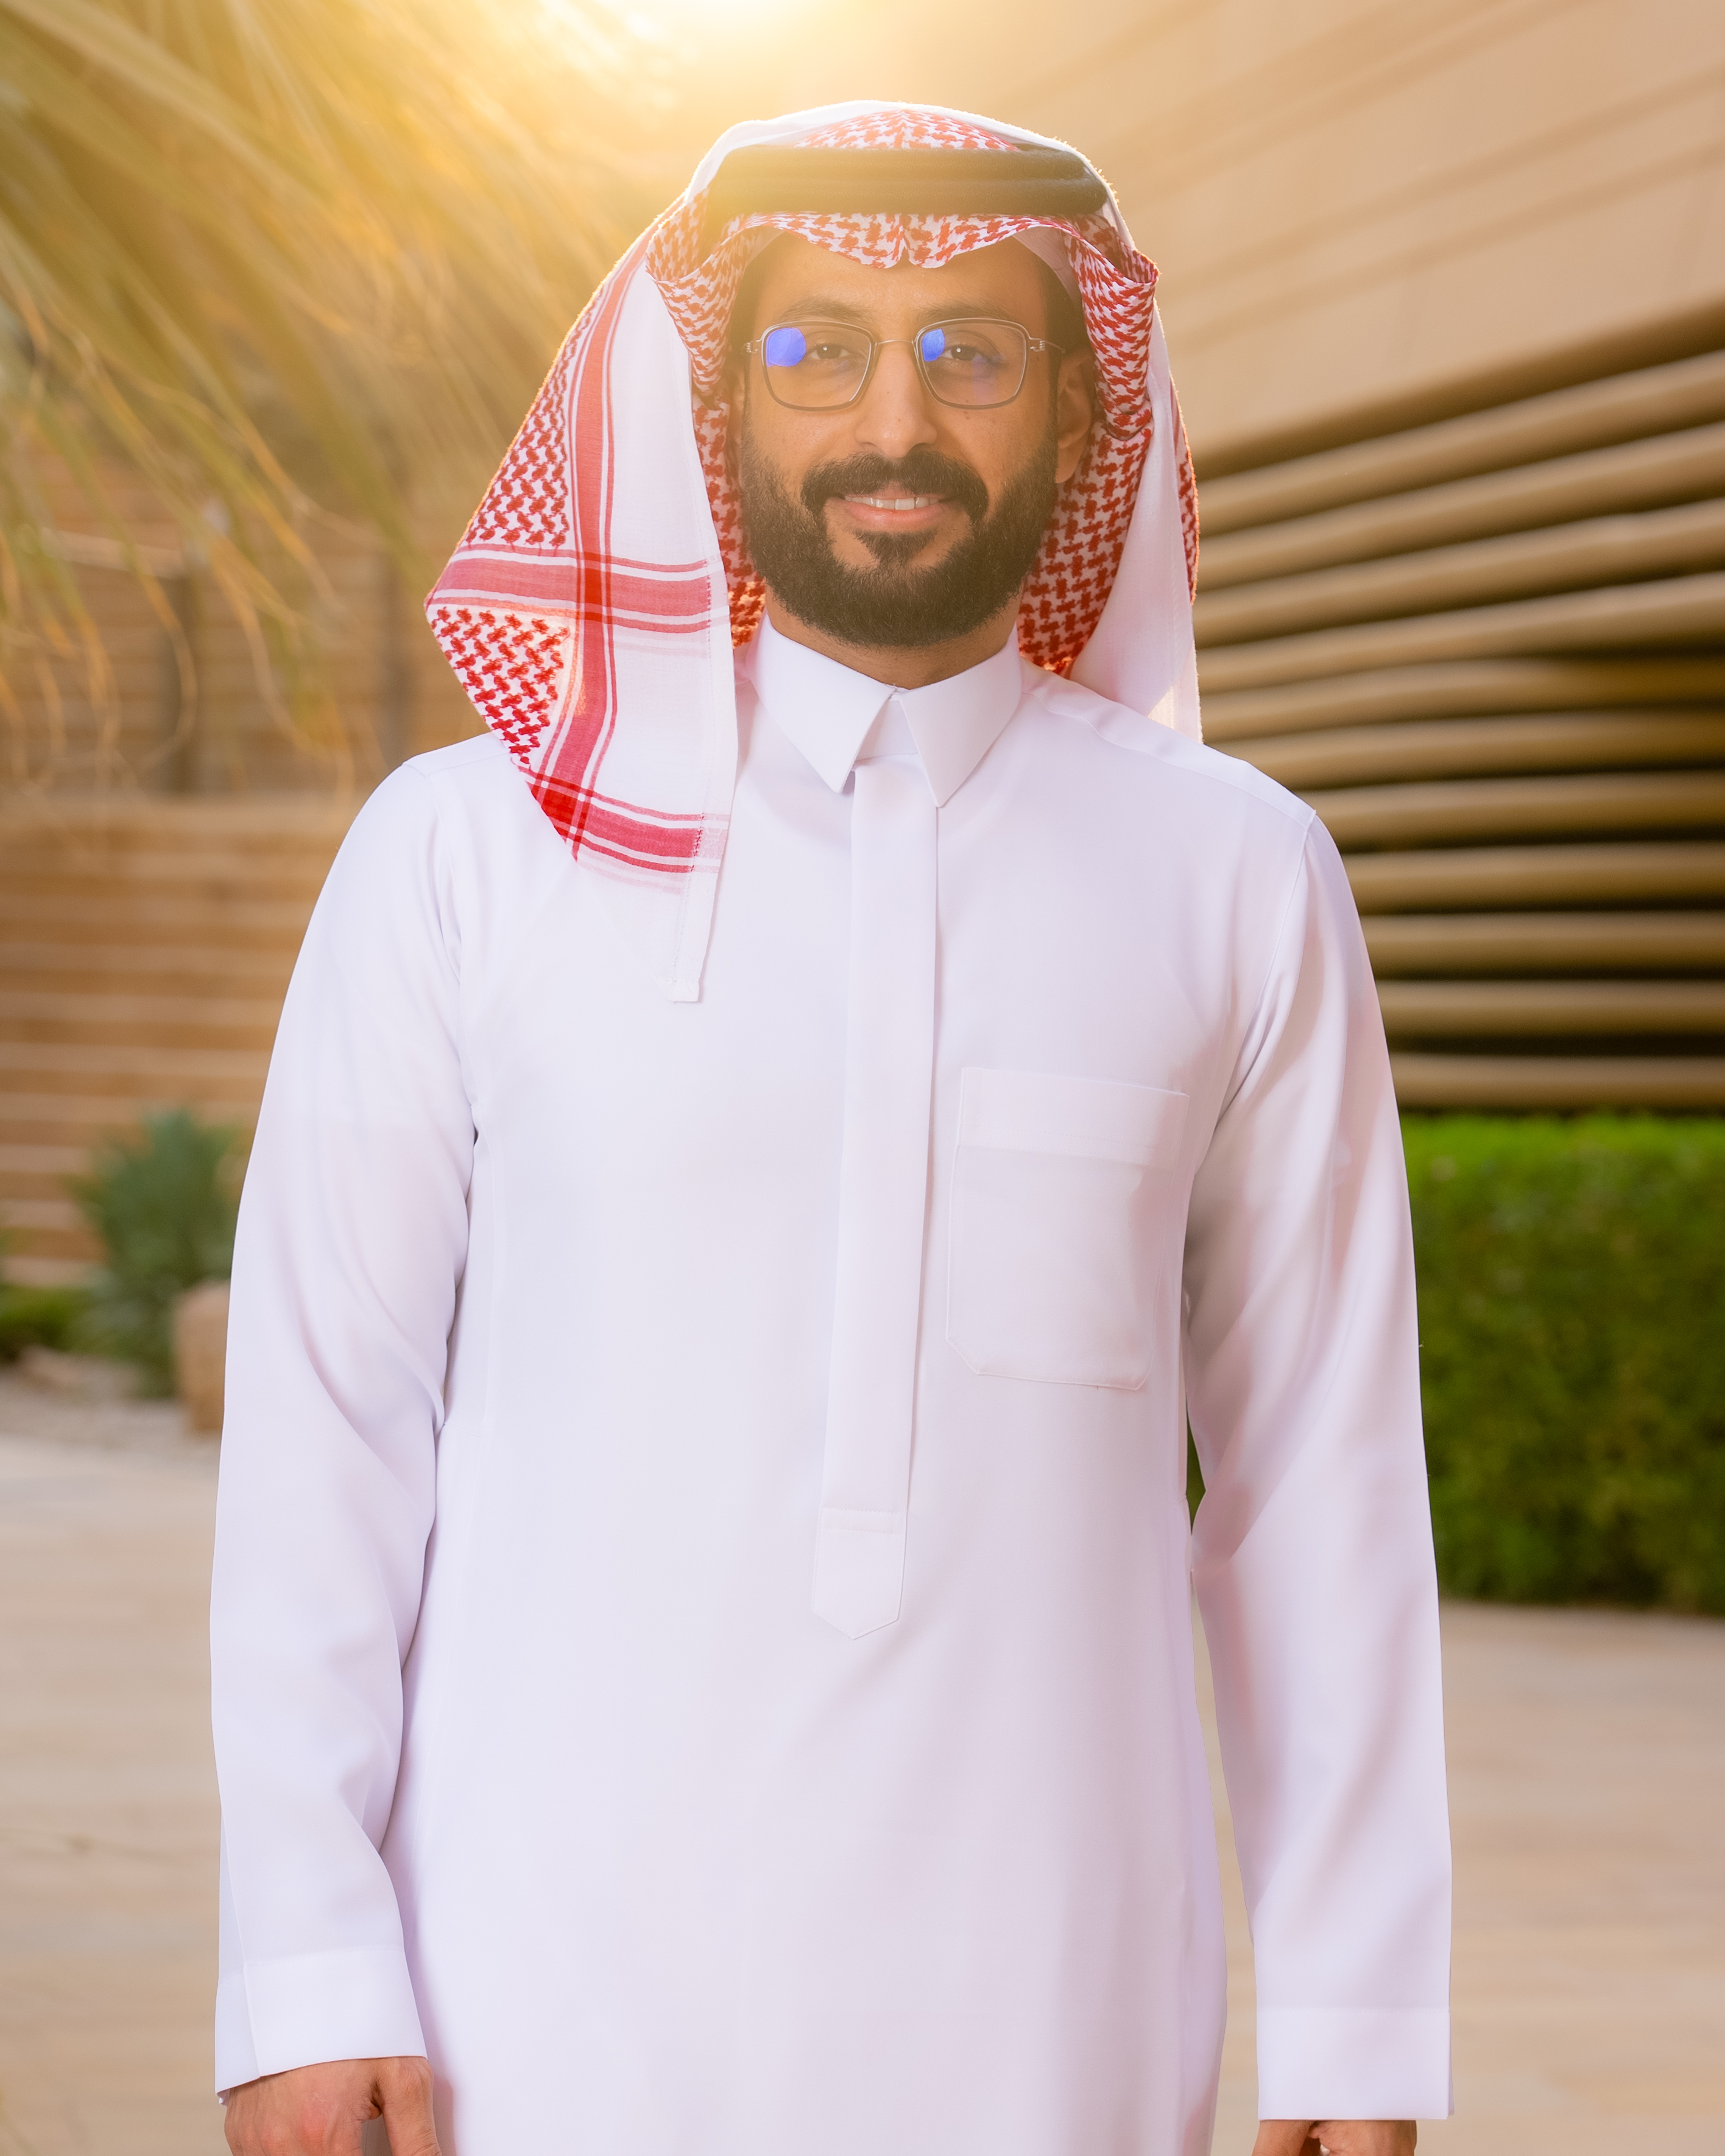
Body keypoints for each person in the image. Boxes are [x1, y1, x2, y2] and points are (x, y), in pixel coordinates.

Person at [212, 103, 1452, 2156]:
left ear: (1079, 406)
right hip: (531, 2005)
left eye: (973, 350)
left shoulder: (1237, 874)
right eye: (817, 348)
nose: (897, 420)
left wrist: (1357, 2021)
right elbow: (327, 1433)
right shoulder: (463, 852)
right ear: (718, 402)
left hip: (1052, 2012)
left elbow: (1322, 1482)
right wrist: (306, 1964)